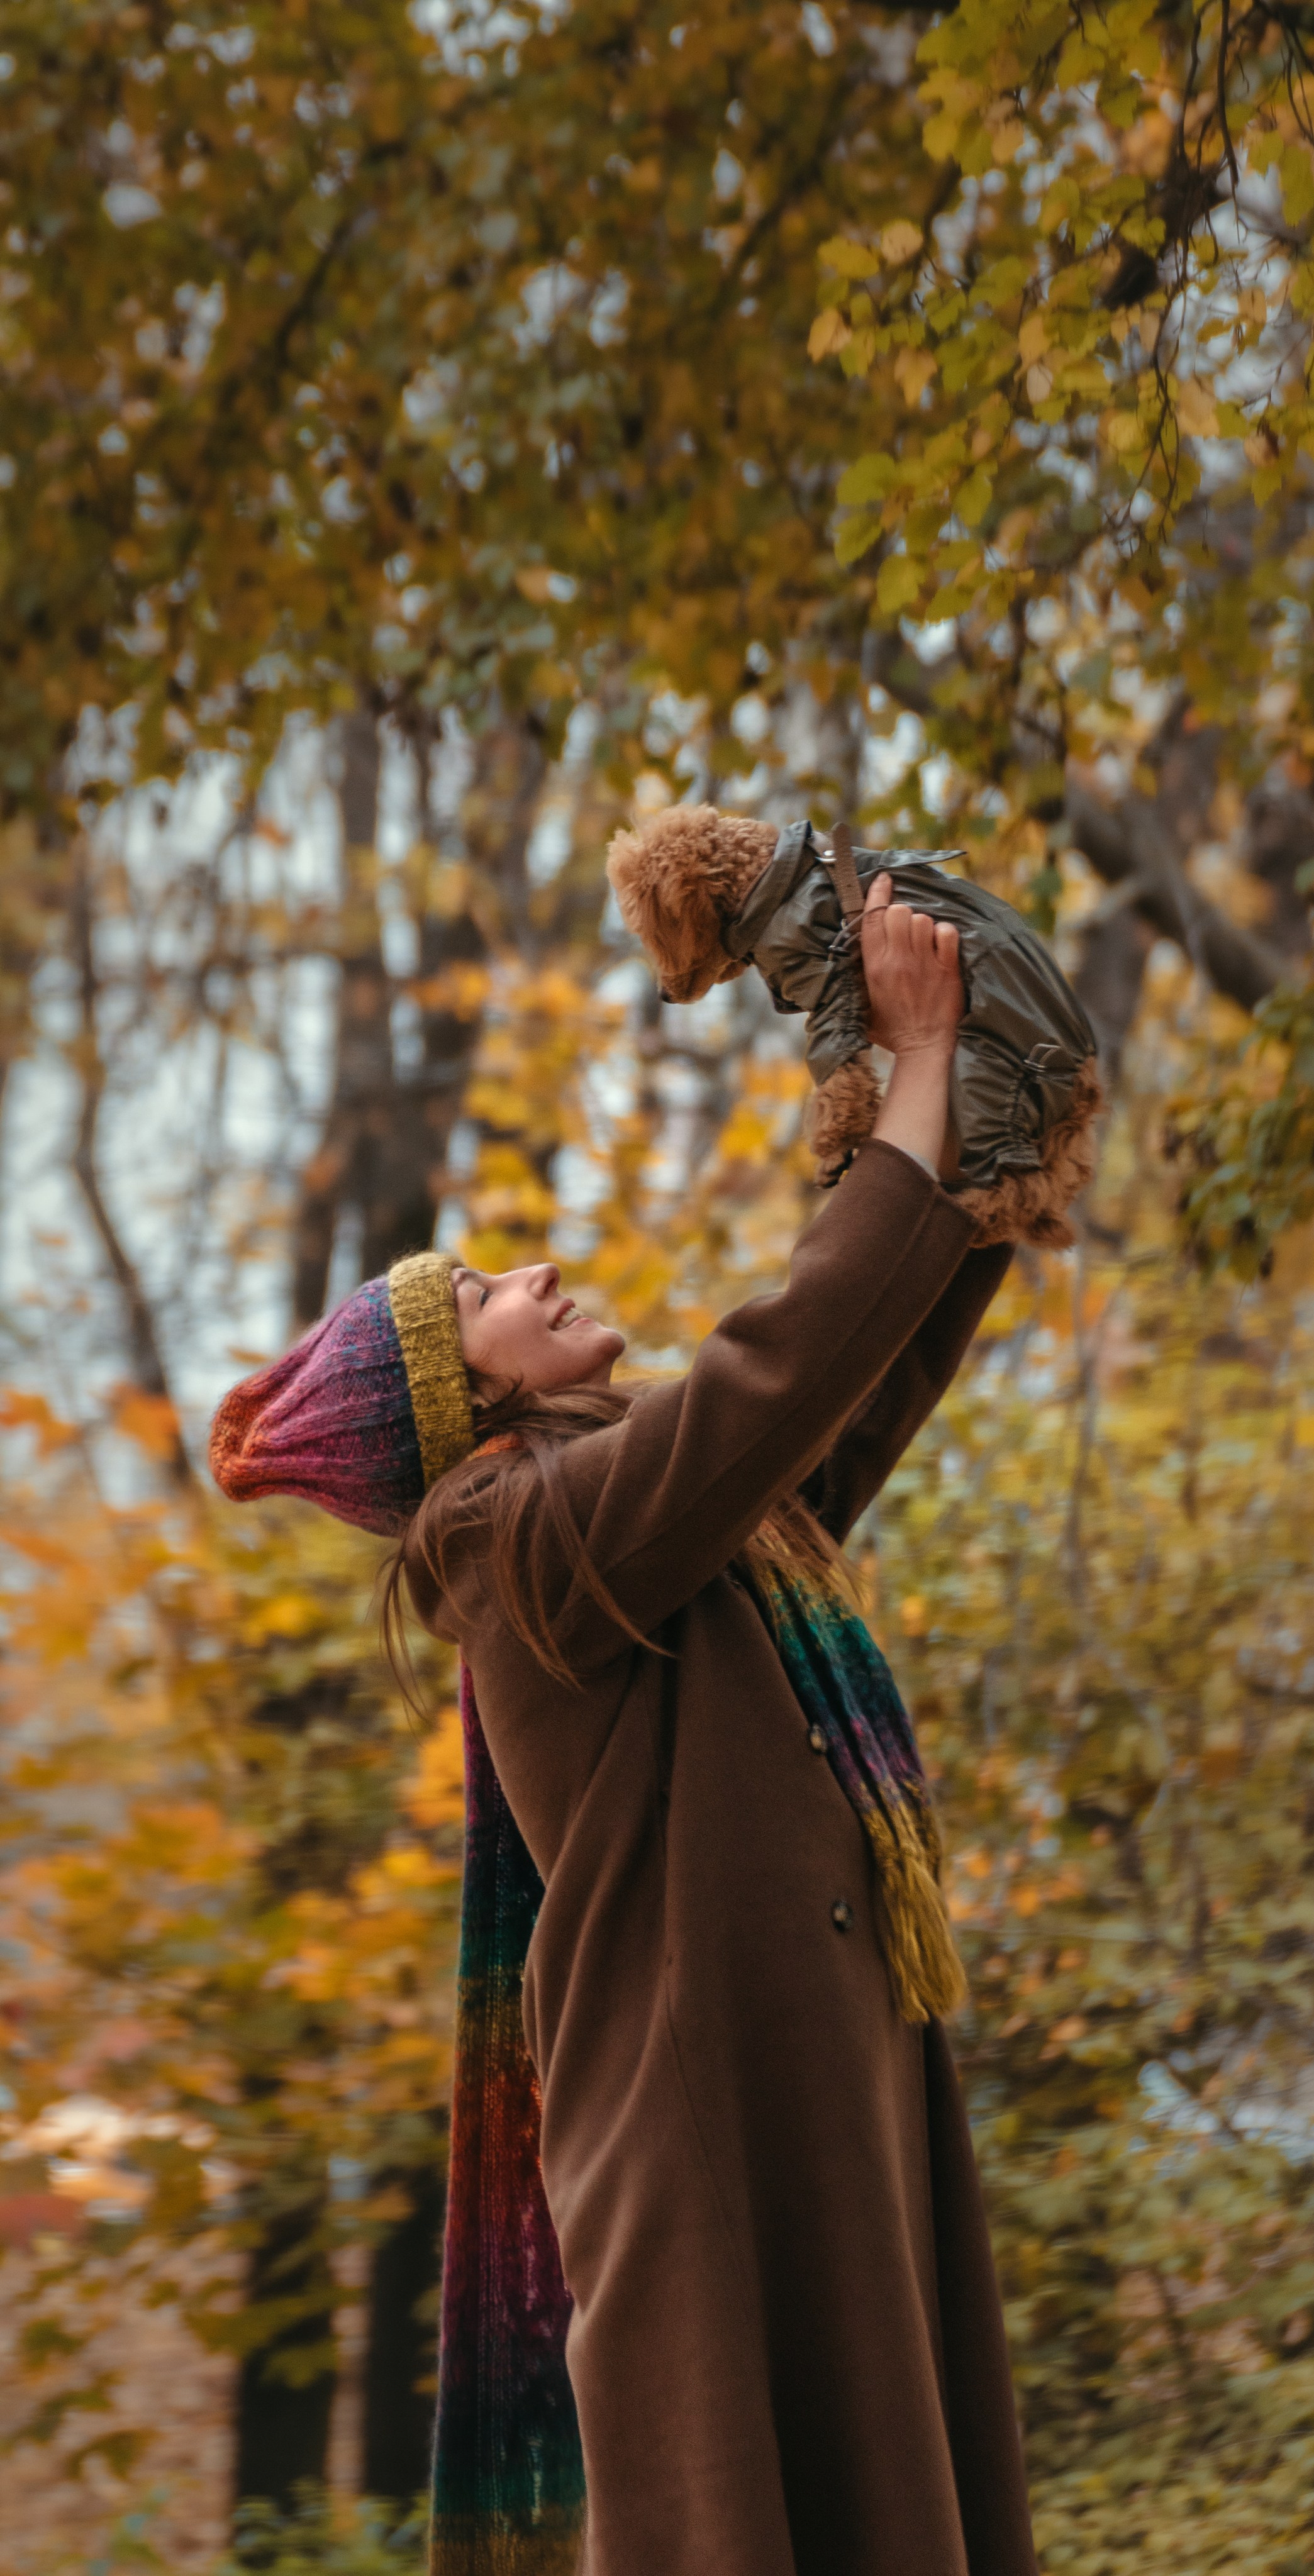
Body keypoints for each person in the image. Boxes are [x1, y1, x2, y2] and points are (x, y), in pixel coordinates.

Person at [210, 877, 1038, 2576]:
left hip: (800, 2069)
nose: (543, 1267)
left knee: (870, 2485)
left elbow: (835, 1392)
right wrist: (917, 1071)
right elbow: (774, 1375)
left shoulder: (653, 1505)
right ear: (470, 1390)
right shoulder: (512, 1541)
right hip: (707, 2106)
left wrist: (970, 1153)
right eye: (496, 1291)